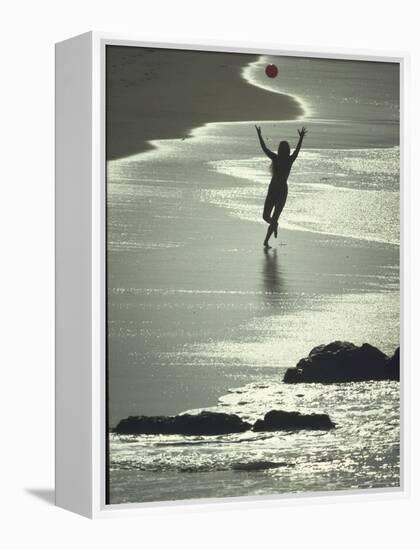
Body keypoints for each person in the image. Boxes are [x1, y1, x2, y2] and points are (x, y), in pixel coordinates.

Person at [255, 125, 307, 248]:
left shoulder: (276, 158)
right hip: (281, 191)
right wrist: (301, 138)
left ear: (279, 149)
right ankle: (273, 227)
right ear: (287, 150)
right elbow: (297, 151)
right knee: (270, 218)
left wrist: (259, 135)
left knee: (266, 217)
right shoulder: (289, 159)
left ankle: (267, 240)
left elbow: (264, 148)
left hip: (274, 190)